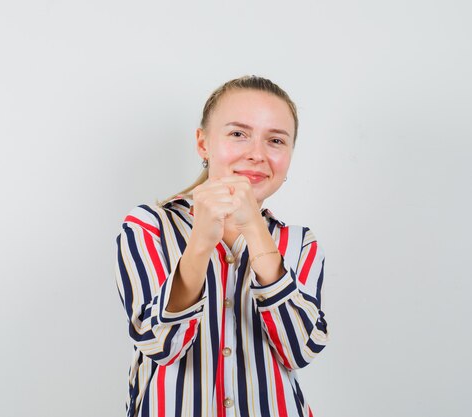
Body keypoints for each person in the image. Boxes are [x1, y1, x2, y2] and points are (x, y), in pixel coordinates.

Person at [115, 75, 329, 417]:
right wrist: (200, 243)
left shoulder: (300, 243)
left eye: (275, 140)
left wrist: (255, 230)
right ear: (203, 143)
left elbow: (300, 350)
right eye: (238, 134)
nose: (257, 154)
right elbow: (160, 345)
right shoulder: (148, 226)